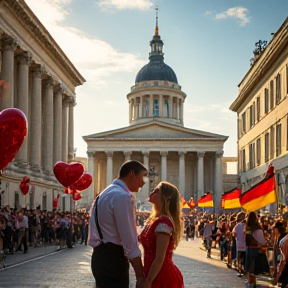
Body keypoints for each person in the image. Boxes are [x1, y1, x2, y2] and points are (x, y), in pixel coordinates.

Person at [88, 160, 148, 288]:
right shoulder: (122, 197)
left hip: (99, 257)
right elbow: (129, 241)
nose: (144, 182)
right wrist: (140, 276)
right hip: (113, 259)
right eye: (142, 177)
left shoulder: (104, 194)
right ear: (132, 174)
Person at [139, 181, 184, 288]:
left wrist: (149, 280)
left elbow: (160, 257)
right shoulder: (154, 220)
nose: (152, 191)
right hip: (153, 272)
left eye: (157, 191)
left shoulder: (164, 222)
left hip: (161, 276)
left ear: (167, 197)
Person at [244, 211, 269, 288]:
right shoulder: (258, 229)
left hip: (249, 249)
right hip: (256, 250)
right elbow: (262, 241)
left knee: (249, 269)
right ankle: (252, 284)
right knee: (254, 270)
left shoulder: (247, 228)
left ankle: (250, 283)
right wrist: (266, 241)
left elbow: (246, 240)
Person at [232, 211, 246, 277]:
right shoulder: (246, 225)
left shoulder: (237, 225)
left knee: (239, 258)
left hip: (239, 244)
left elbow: (233, 233)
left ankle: (240, 270)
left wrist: (236, 238)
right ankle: (243, 269)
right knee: (244, 258)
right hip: (245, 245)